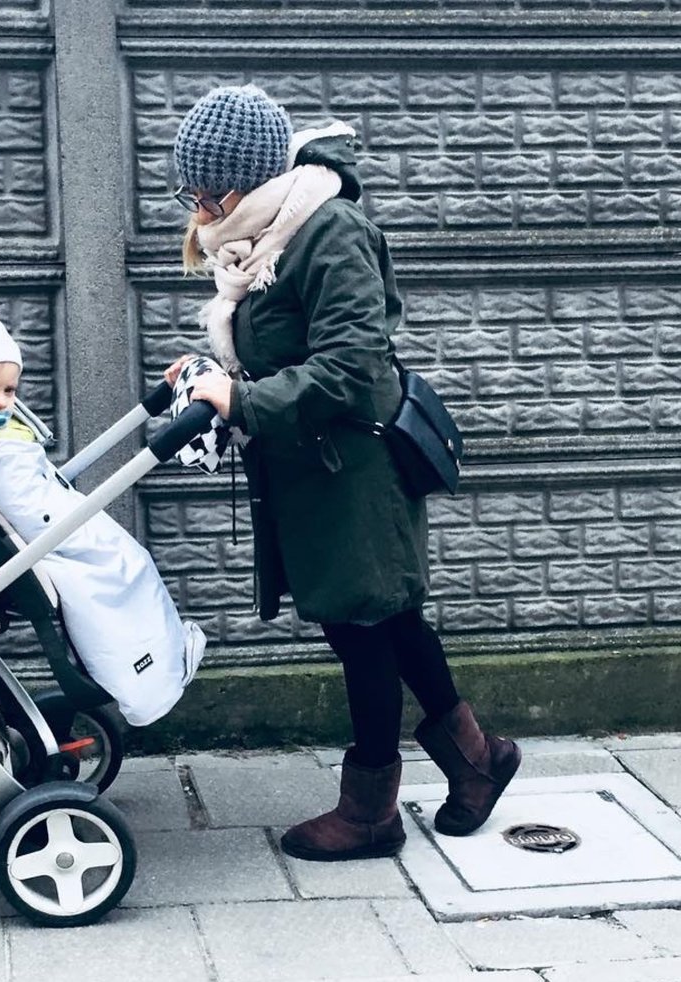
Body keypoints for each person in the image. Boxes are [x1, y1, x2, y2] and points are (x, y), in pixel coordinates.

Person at [165, 85, 521, 862]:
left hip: (356, 472)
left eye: (207, 192)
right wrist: (210, 375)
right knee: (388, 620)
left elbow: (353, 365)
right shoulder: (265, 238)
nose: (199, 209)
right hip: (316, 470)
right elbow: (280, 347)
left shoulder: (329, 230)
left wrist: (243, 399)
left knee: (365, 631)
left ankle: (370, 812)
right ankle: (478, 760)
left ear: (246, 179)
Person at [0, 294, 206, 726]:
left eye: (10, 391)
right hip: (45, 531)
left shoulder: (2, 431)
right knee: (120, 571)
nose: (1, 403)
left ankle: (162, 658)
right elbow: (21, 501)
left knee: (134, 560)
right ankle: (143, 676)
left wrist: (166, 393)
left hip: (52, 517)